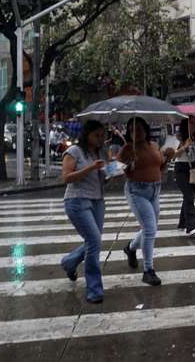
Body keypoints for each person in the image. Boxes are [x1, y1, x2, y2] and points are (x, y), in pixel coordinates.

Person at [118, 117, 173, 286]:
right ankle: (148, 270)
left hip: (155, 190)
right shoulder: (127, 149)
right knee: (150, 228)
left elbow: (160, 168)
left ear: (146, 130)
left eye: (139, 128)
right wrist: (128, 165)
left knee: (151, 228)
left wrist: (169, 158)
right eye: (132, 130)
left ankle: (130, 248)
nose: (136, 132)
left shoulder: (154, 146)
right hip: (137, 191)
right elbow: (114, 172)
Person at [60, 120, 108, 304]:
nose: (100, 139)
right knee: (94, 240)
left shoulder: (101, 153)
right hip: (77, 200)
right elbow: (66, 177)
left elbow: (101, 180)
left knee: (93, 240)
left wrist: (112, 172)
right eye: (96, 135)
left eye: (102, 135)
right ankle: (94, 288)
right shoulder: (74, 152)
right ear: (87, 134)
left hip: (98, 200)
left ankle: (69, 262)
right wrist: (91, 168)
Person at [173, 116, 195, 237]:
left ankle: (182, 222)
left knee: (189, 196)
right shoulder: (178, 137)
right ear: (185, 123)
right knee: (189, 196)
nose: (193, 125)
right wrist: (185, 146)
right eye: (191, 123)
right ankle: (192, 226)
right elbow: (173, 155)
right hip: (181, 168)